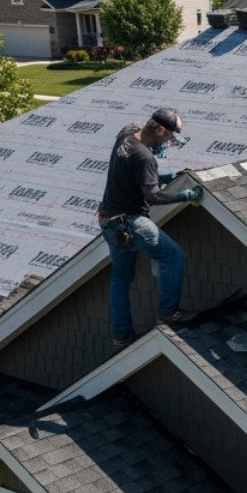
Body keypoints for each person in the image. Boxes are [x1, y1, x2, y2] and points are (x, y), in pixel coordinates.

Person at [98, 108, 203, 346]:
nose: (168, 143)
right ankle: (168, 313)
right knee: (172, 255)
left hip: (108, 220)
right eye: (169, 138)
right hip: (130, 222)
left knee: (120, 278)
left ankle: (121, 335)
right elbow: (154, 197)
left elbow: (132, 173)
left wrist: (159, 176)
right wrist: (185, 195)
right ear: (160, 129)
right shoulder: (145, 158)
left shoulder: (125, 135)